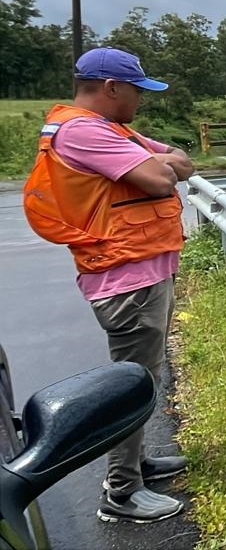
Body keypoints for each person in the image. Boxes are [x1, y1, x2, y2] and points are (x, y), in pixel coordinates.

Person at [23, 47, 193, 524]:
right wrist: (159, 166)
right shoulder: (82, 131)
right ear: (110, 87)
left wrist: (162, 163)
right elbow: (162, 175)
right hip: (126, 276)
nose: (140, 99)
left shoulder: (110, 129)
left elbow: (183, 161)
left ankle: (136, 463)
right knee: (131, 381)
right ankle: (121, 492)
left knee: (143, 376)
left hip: (141, 267)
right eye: (136, 90)